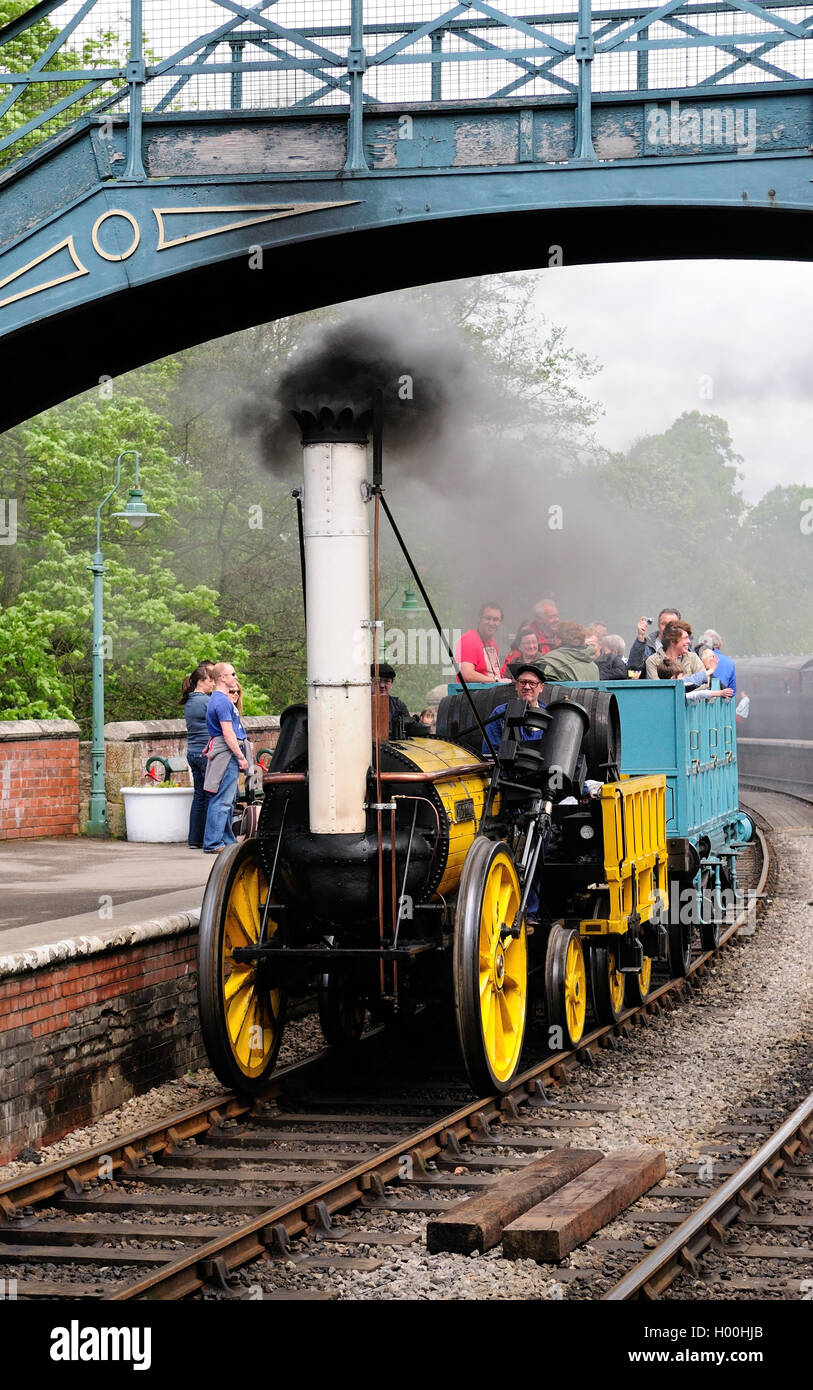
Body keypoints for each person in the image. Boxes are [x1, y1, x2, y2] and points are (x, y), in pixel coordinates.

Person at [202, 661, 250, 854]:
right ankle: (213, 843)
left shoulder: (218, 699)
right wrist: (240, 757)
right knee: (222, 800)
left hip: (225, 749)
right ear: (222, 678)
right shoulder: (222, 701)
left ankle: (227, 841)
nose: (235, 677)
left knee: (228, 800)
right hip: (226, 752)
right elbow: (228, 733)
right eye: (232, 674)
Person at [180, 661, 215, 849]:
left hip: (193, 752)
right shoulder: (206, 701)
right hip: (206, 754)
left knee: (199, 796)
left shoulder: (190, 701)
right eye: (210, 680)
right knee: (212, 796)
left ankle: (195, 839)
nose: (213, 684)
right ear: (201, 681)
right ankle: (211, 839)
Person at [482, 661, 547, 757]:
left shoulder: (548, 715)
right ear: (516, 686)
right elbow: (489, 753)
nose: (527, 687)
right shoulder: (500, 713)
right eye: (522, 682)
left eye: (532, 683)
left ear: (541, 687)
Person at [454, 603, 504, 683]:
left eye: (495, 619)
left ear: (500, 622)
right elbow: (467, 675)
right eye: (488, 618)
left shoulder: (493, 642)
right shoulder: (469, 640)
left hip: (491, 692)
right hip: (472, 694)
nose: (491, 623)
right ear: (479, 618)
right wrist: (497, 681)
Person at [628, 608, 681, 674]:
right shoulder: (647, 645)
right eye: (663, 624)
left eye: (672, 624)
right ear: (658, 625)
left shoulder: (685, 645)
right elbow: (633, 668)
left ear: (679, 626)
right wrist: (641, 637)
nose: (667, 627)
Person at [658, 658, 733, 700]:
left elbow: (693, 679)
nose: (684, 680)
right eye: (682, 678)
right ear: (673, 679)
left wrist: (710, 671)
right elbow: (696, 694)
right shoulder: (674, 695)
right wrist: (719, 693)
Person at [371, 662, 411, 736]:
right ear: (369, 682)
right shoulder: (360, 705)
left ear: (391, 684)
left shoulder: (399, 706)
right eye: (378, 681)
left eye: (386, 681)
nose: (382, 685)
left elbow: (409, 731)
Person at [699, 629, 737, 694]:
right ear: (719, 645)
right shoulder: (729, 662)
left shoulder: (696, 657)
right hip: (722, 701)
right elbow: (732, 692)